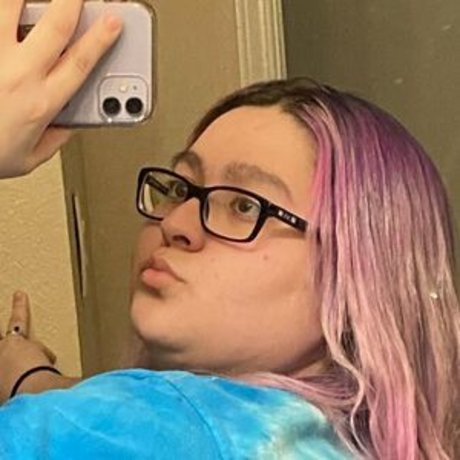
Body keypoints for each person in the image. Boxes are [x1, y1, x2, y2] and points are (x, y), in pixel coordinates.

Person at [0, 3, 459, 460]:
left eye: (244, 206)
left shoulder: (156, 428)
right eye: (178, 188)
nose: (175, 224)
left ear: (359, 274)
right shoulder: (345, 437)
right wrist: (33, 382)